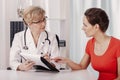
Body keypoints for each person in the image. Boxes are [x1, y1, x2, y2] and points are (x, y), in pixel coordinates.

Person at [53, 8, 120, 80]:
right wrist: (66, 61)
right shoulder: (90, 44)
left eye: (85, 25)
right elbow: (81, 66)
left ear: (96, 27)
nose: (82, 28)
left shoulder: (117, 45)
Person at [9, 6, 59, 71]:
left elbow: (57, 63)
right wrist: (21, 66)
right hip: (26, 75)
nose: (43, 24)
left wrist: (50, 63)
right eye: (39, 22)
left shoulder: (52, 37)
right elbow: (13, 62)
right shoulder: (18, 37)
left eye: (44, 19)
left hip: (46, 75)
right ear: (28, 23)